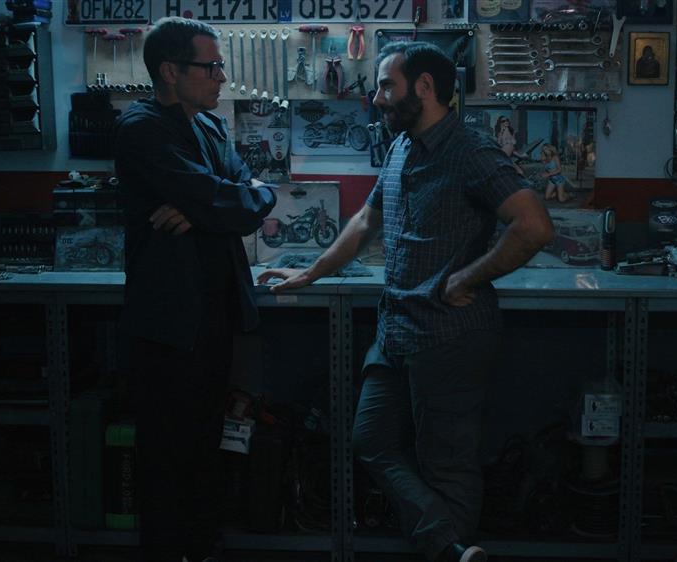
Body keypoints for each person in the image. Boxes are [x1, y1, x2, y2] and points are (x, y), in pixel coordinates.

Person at [257, 41, 553, 562]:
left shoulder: (471, 150)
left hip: (449, 335)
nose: (376, 97)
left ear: (424, 87)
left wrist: (467, 277)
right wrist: (311, 271)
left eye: (386, 85)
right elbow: (365, 221)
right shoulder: (400, 146)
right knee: (370, 440)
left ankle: (450, 551)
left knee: (447, 466)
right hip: (396, 329)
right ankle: (452, 548)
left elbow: (533, 226)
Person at [113, 16, 277, 562]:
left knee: (207, 443)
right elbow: (221, 197)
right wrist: (214, 202)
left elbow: (251, 193)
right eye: (211, 67)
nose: (222, 77)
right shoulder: (141, 128)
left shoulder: (209, 126)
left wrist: (209, 205)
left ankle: (202, 549)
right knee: (166, 455)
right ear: (170, 71)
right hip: (168, 323)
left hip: (213, 315)